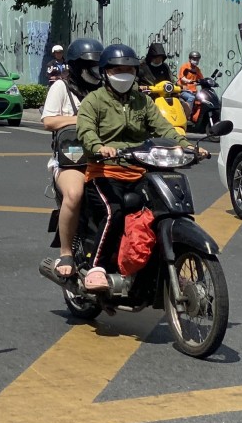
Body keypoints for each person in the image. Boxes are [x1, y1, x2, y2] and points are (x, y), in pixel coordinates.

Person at [76, 43, 206, 292]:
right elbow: (86, 130)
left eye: (129, 70)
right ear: (105, 73)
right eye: (117, 70)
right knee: (114, 212)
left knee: (163, 210)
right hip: (105, 172)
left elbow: (164, 128)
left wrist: (188, 146)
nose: (124, 75)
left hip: (140, 171)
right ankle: (96, 267)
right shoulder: (94, 100)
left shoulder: (142, 101)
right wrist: (99, 147)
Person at [41, 37, 104, 280]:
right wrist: (81, 120)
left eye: (98, 65)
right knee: (75, 193)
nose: (95, 71)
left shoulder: (105, 89)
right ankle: (66, 252)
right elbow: (49, 121)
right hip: (72, 160)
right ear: (77, 66)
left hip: (105, 158)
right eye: (90, 66)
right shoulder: (62, 87)